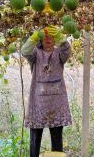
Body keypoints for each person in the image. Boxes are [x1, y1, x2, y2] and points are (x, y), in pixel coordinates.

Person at [21, 27, 72, 157]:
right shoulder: (35, 54)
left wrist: (61, 37)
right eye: (45, 37)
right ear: (40, 40)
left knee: (56, 138)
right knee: (35, 139)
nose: (48, 39)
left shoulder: (59, 54)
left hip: (56, 103)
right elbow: (25, 51)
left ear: (55, 39)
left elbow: (67, 49)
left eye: (51, 36)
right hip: (38, 103)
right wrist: (33, 37)